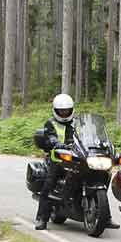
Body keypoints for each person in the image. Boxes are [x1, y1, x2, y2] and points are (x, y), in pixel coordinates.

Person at [34, 93, 75, 230]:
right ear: (56, 110)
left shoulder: (77, 123)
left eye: (67, 110)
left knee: (97, 176)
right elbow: (50, 137)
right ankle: (41, 218)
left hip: (76, 158)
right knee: (48, 185)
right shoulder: (50, 123)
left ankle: (106, 217)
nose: (64, 113)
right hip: (57, 160)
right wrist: (56, 143)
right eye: (61, 111)